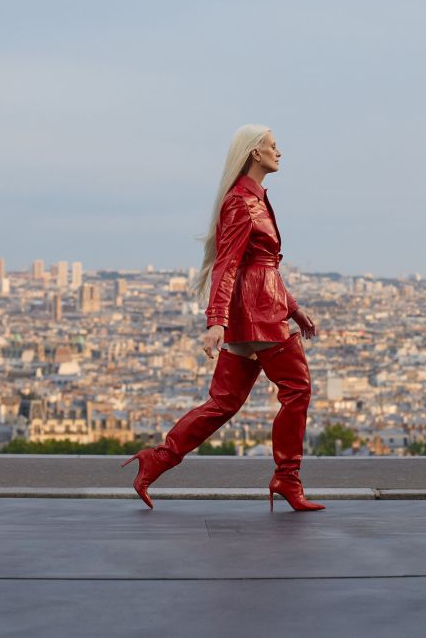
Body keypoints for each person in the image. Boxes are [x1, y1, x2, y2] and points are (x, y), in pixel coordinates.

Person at [122, 124, 324, 512]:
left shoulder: (256, 199)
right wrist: (216, 320)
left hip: (259, 306)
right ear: (254, 153)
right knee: (297, 388)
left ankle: (157, 460)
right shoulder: (241, 202)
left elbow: (262, 265)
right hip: (258, 312)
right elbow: (227, 264)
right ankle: (287, 477)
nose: (279, 153)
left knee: (224, 402)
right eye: (273, 146)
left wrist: (295, 309)